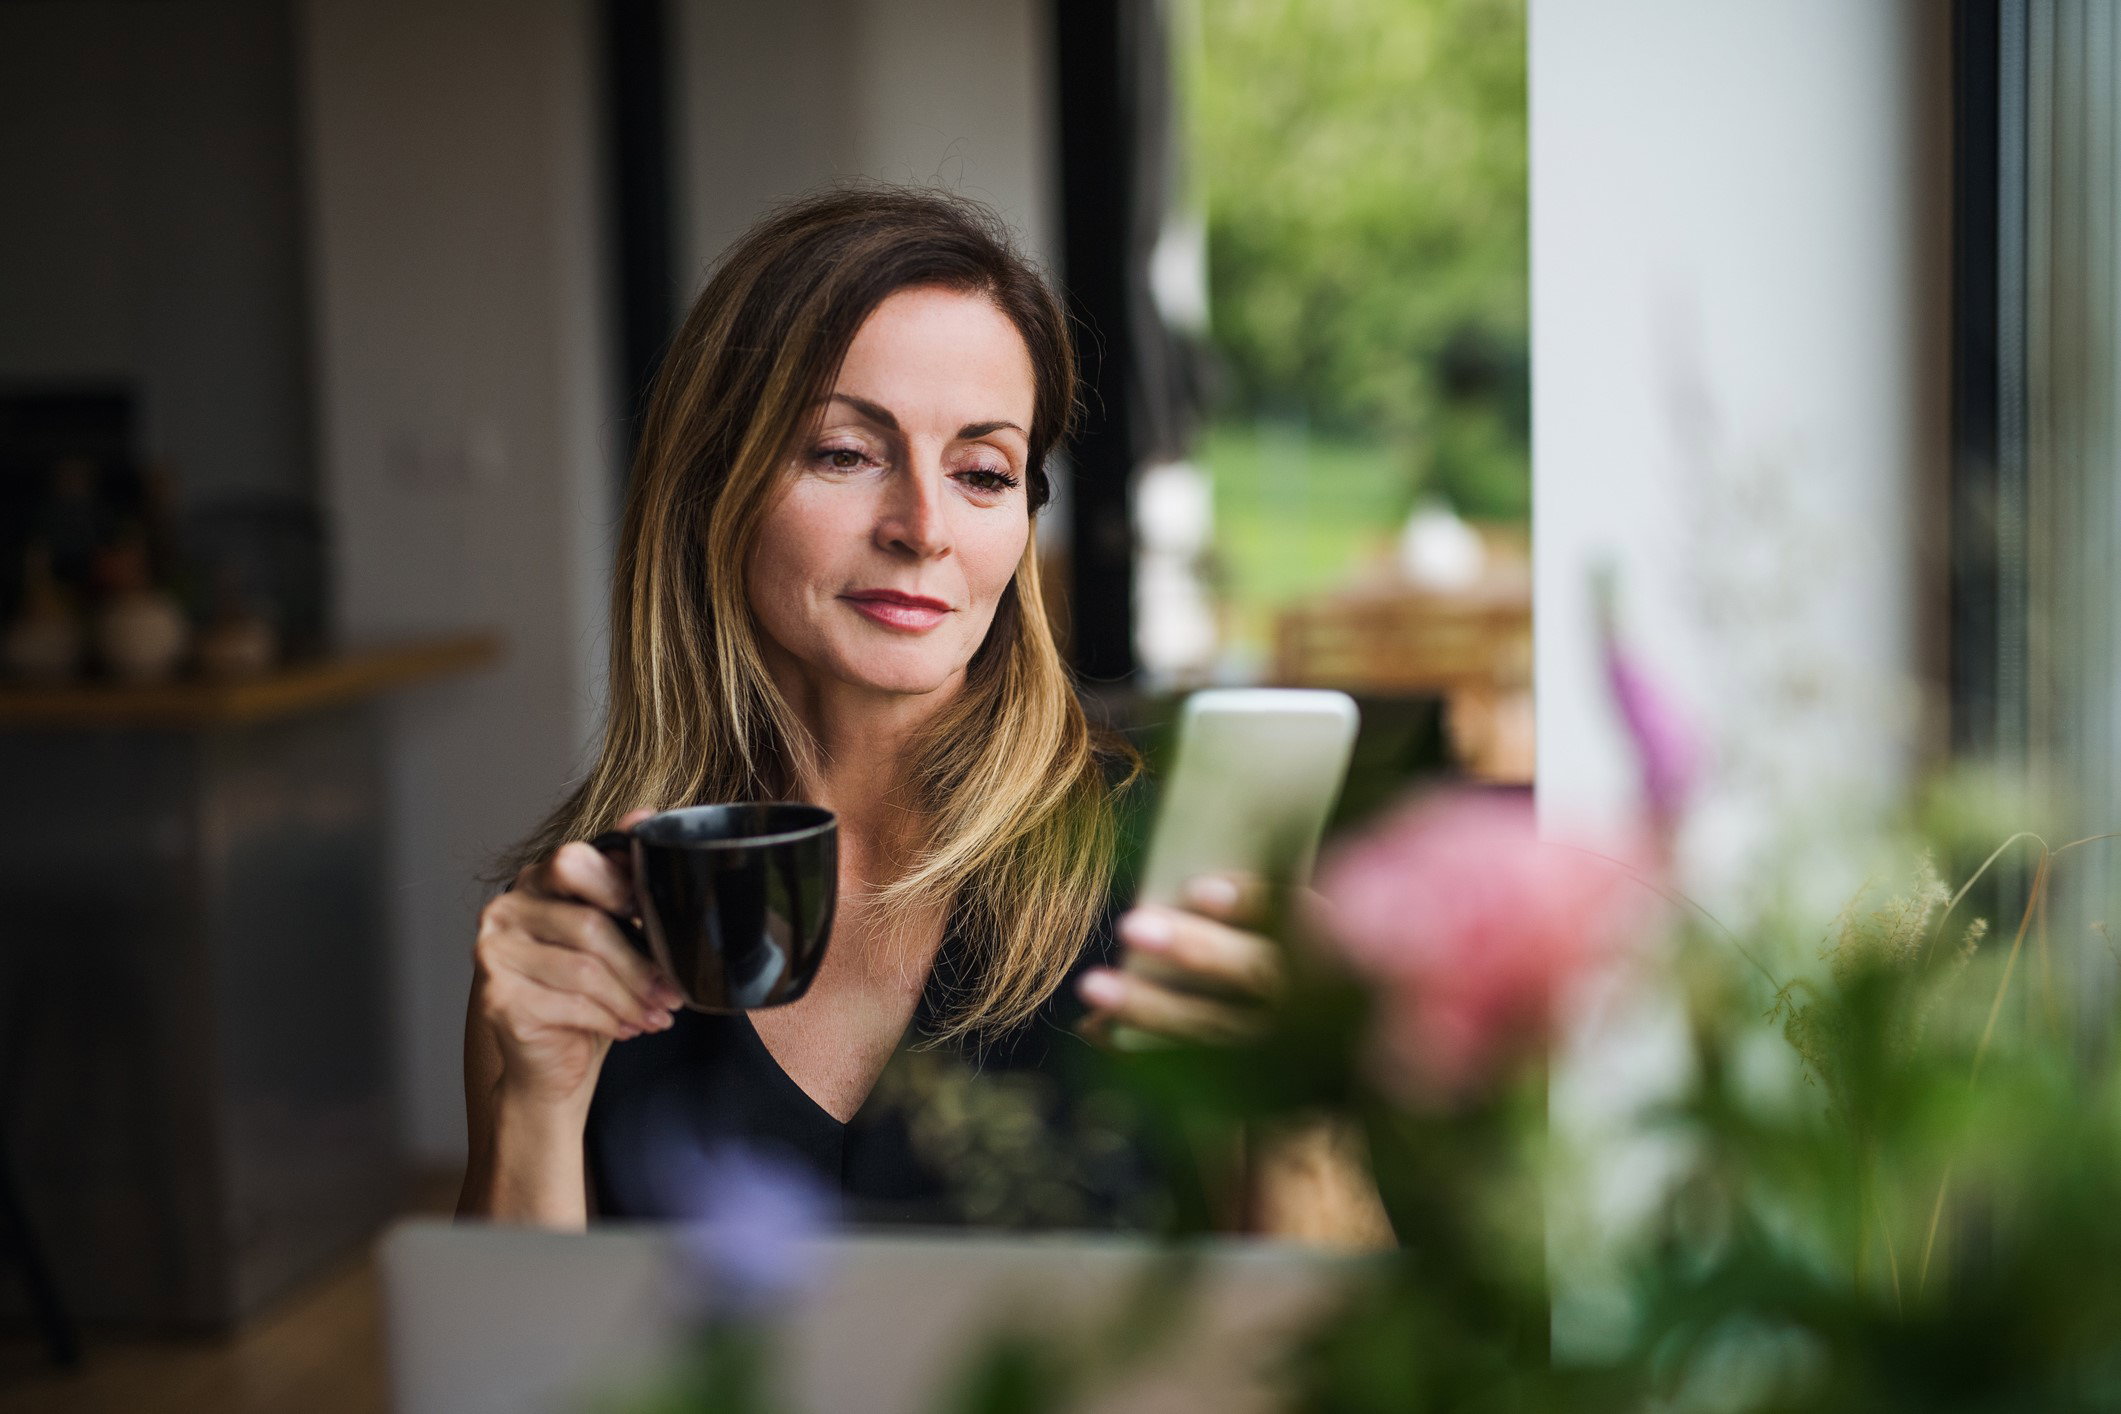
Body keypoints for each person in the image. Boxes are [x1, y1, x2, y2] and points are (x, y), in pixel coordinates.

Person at [454, 188, 1287, 1230]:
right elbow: (518, 1379)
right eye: (845, 452)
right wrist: (537, 1098)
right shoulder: (579, 929)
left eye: (983, 473)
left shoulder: (1167, 883)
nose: (924, 528)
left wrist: (1309, 1107)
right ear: (715, 481)